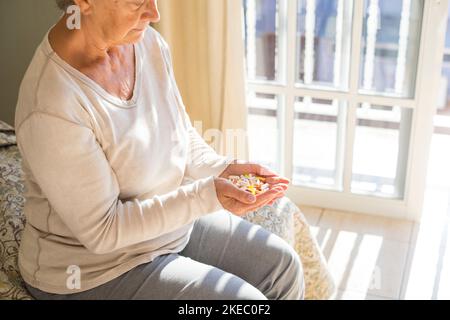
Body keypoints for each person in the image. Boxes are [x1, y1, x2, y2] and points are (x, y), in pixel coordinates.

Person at [15, 0, 304, 300]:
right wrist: (208, 195)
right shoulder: (52, 104)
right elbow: (105, 231)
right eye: (137, 1)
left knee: (283, 268)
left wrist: (222, 169)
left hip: (163, 227)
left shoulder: (145, 42)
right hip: (93, 271)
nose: (155, 13)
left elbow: (180, 136)